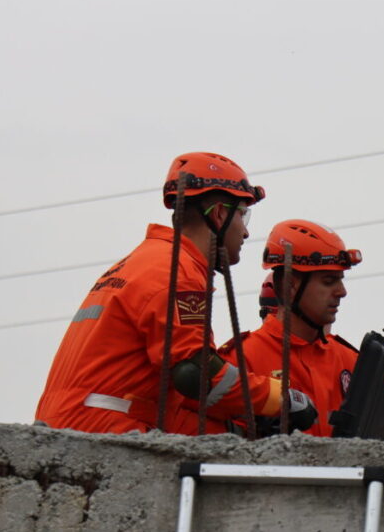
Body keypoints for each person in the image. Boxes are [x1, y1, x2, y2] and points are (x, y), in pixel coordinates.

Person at [35, 152, 316, 435]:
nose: (245, 232)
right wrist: (281, 398)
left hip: (79, 419)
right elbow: (196, 374)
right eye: (243, 214)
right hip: (104, 429)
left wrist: (236, 431)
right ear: (220, 214)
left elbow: (177, 392)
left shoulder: (147, 260)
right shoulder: (177, 271)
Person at [221, 219, 361, 436]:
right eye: (328, 281)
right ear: (290, 285)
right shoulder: (242, 359)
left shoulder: (351, 361)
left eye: (340, 280)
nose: (342, 291)